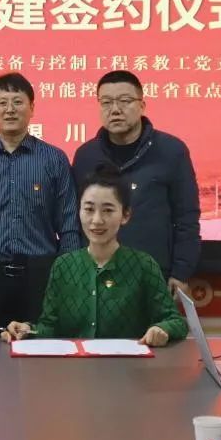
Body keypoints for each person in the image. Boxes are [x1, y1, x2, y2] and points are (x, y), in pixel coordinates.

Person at [0, 72, 83, 336]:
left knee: (40, 349)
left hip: (40, 276)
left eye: (18, 102)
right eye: (2, 103)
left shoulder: (54, 159)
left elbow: (69, 223)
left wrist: (68, 275)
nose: (10, 109)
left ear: (32, 107)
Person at [2, 165, 188, 345]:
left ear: (125, 215)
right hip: (75, 364)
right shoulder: (63, 265)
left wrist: (162, 329)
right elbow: (49, 327)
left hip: (127, 365)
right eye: (89, 209)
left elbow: (176, 321)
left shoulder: (144, 265)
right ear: (79, 211)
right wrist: (27, 330)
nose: (97, 220)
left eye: (108, 210)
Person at [72, 70, 201, 297]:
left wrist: (181, 272)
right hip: (95, 275)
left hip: (153, 275)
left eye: (124, 101)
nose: (115, 109)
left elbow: (186, 218)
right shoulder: (86, 156)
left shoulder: (171, 151)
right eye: (106, 102)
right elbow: (75, 219)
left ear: (142, 105)